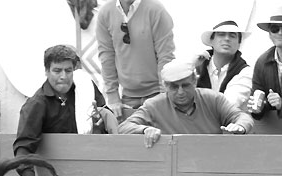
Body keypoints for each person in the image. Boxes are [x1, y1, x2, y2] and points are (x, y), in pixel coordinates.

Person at [13, 44, 118, 176]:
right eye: (57, 71)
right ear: (47, 71)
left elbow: (106, 118)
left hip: (83, 174)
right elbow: (23, 146)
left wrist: (100, 123)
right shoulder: (37, 104)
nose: (63, 76)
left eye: (68, 71)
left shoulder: (85, 89)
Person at [118, 59, 254, 148]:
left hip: (212, 161)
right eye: (174, 87)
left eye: (185, 85)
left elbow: (242, 117)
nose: (181, 92)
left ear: (195, 81)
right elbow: (124, 127)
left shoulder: (213, 98)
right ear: (165, 86)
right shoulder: (154, 105)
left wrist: (240, 126)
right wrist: (145, 129)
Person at [96, 0, 175, 120]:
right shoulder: (105, 12)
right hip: (127, 98)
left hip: (157, 93)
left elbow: (165, 56)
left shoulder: (156, 9)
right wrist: (113, 97)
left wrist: (164, 96)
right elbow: (106, 56)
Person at [196, 20, 252, 110]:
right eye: (221, 34)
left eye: (232, 36)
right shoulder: (197, 67)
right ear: (211, 41)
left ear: (239, 43)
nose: (227, 39)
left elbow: (229, 104)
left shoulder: (245, 72)